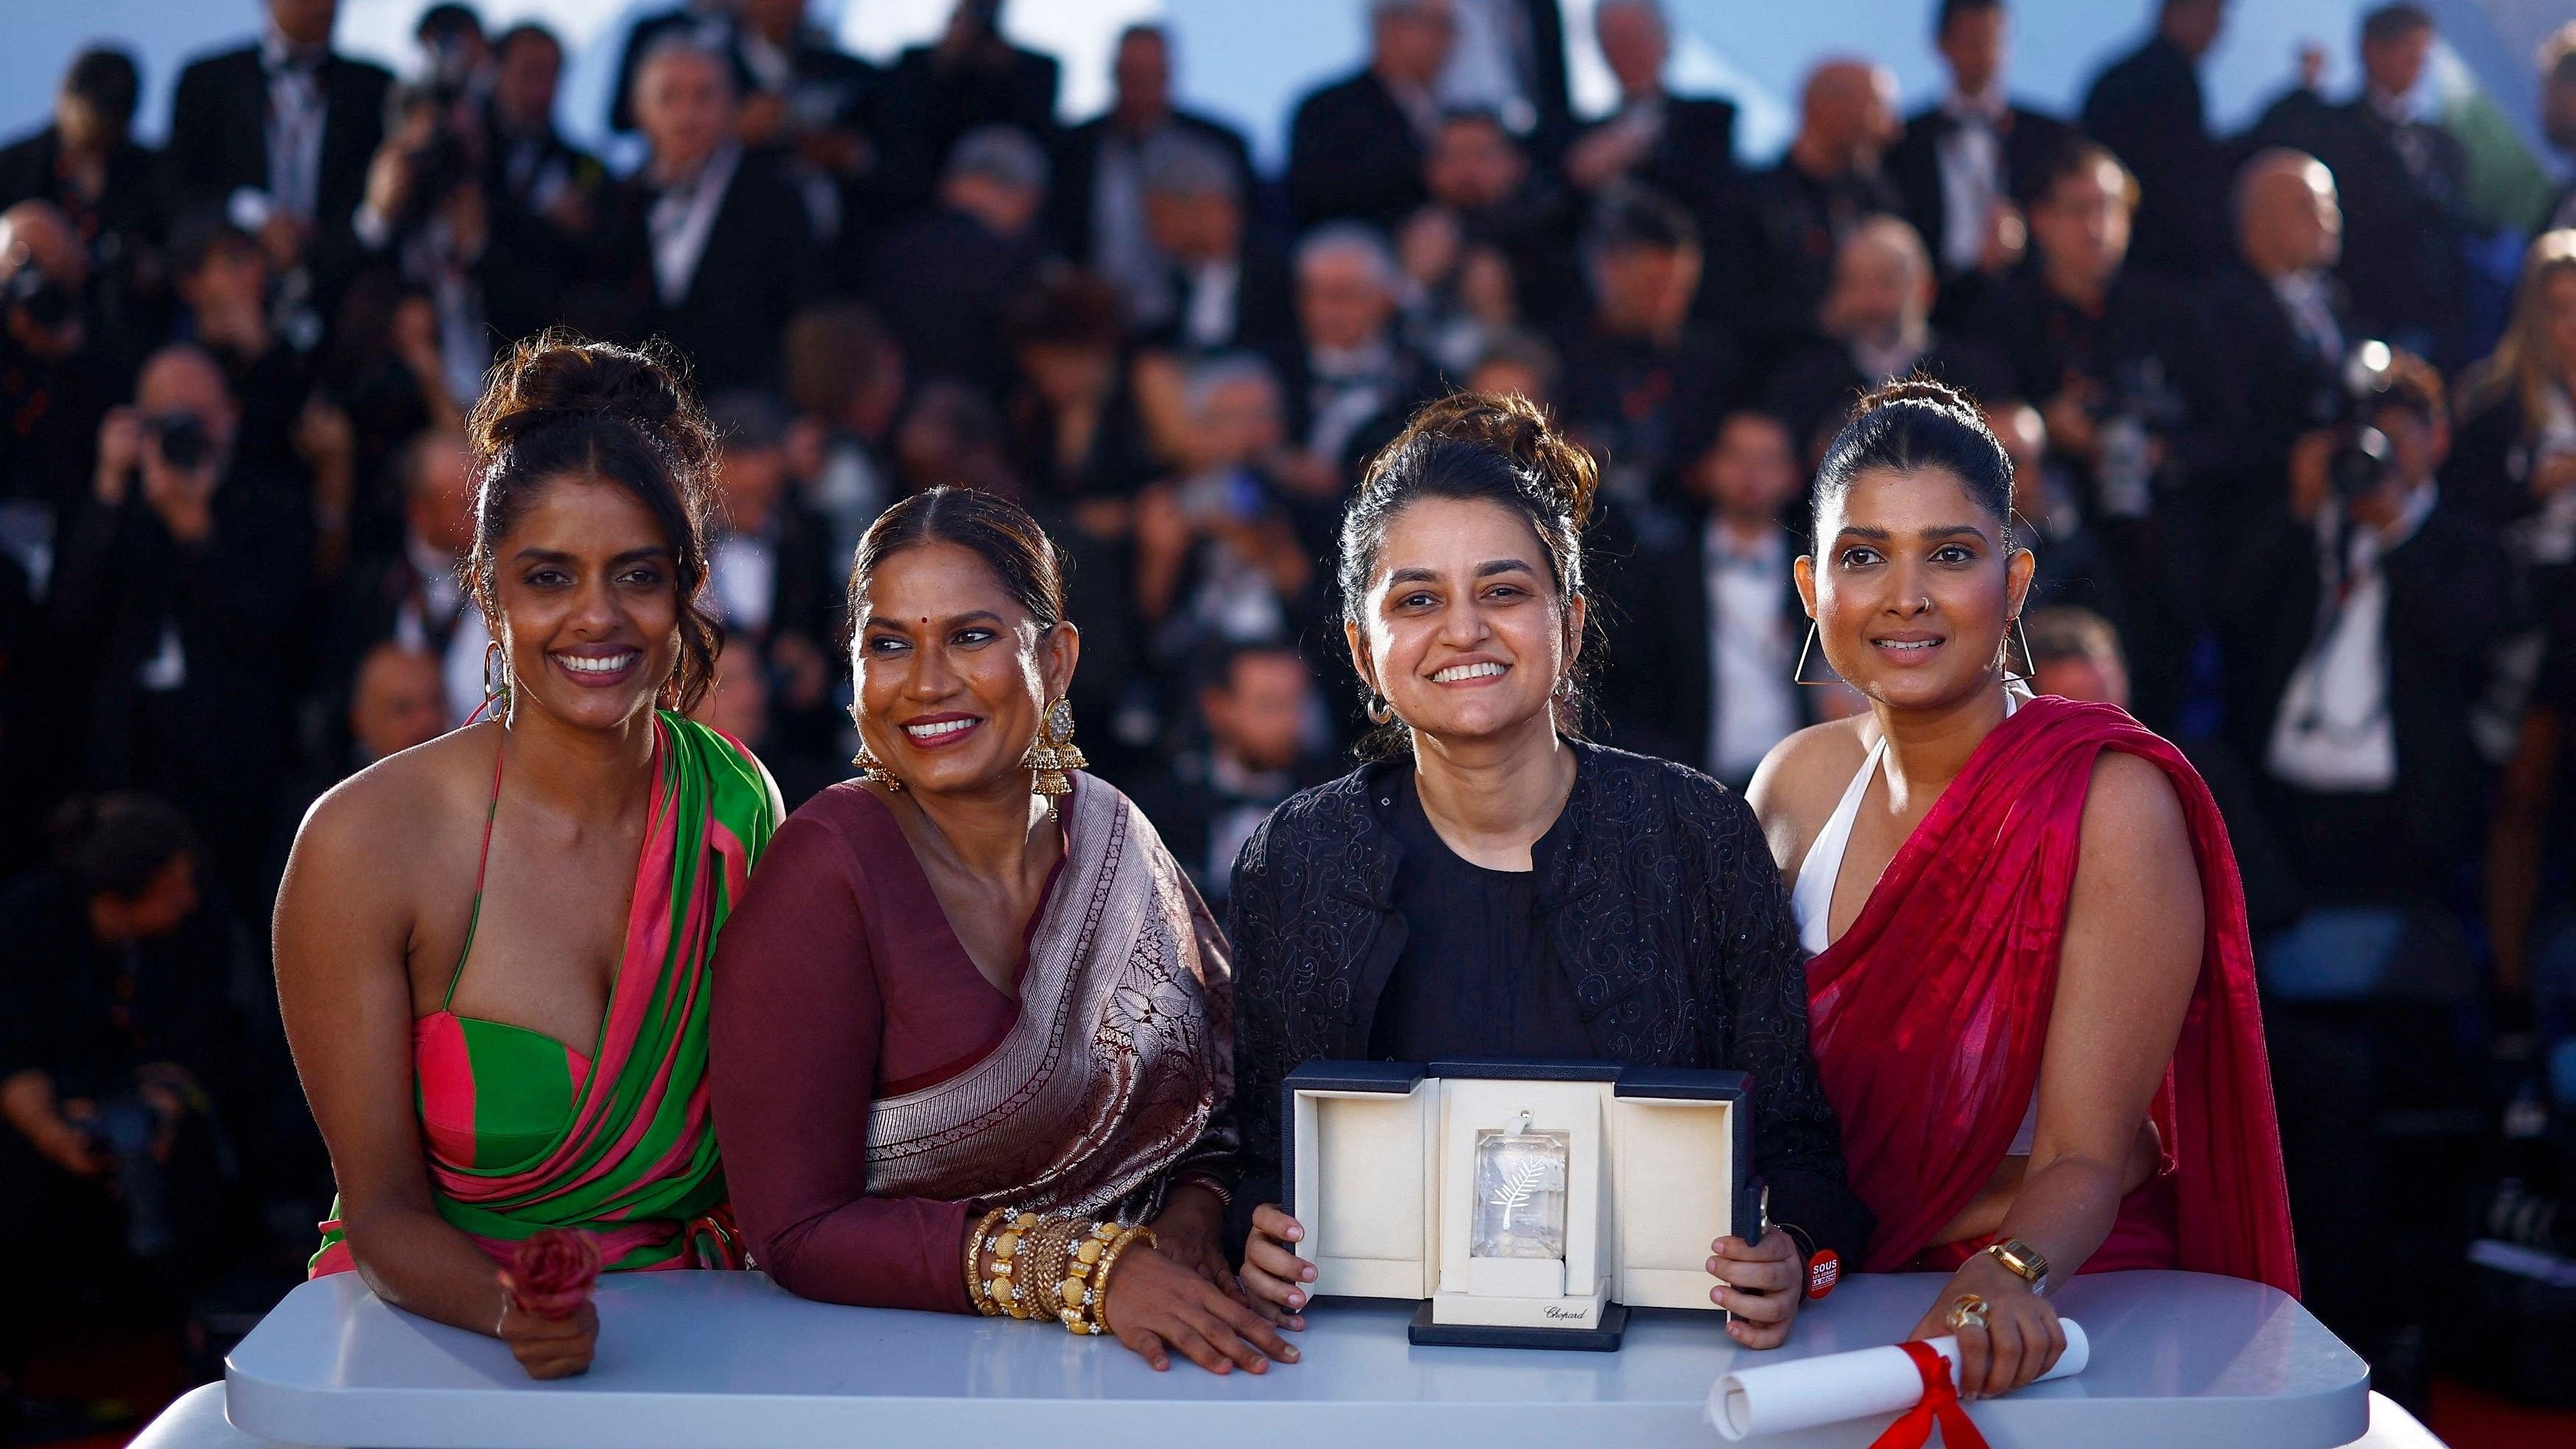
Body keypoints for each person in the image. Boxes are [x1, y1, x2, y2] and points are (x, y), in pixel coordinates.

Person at [1232, 391, 1872, 1352]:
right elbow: (1253, 1158)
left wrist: (1792, 1251)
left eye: (1502, 591)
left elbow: (1804, 1155)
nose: (1464, 631)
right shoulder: (1299, 859)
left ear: (1568, 624)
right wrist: (1254, 1237)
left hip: (1665, 1379)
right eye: (1417, 600)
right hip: (1370, 1381)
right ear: (1365, 652)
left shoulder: (1698, 836)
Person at [1746, 378, 2296, 1400]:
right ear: (1813, 588)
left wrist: (2006, 1272)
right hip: (1841, 1292)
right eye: (1863, 557)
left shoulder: (2111, 799)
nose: (1906, 595)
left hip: (2059, 1301)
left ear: (2018, 578)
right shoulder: (1790, 786)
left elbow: (2087, 1155)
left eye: (1951, 554)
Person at [272, 336, 782, 1379]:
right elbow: (380, 1213)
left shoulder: (738, 805)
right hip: (428, 1349)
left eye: (638, 575)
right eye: (550, 576)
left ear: (687, 587)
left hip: (702, 1345)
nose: (597, 616)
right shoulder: (364, 842)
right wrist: (515, 1314)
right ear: (489, 593)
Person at [707, 486, 1281, 1375]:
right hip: (889, 1382)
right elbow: (795, 1228)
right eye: (888, 644)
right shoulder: (827, 869)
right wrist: (1086, 1272)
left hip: (1154, 1364)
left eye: (970, 636)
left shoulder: (1113, 835)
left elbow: (1213, 1107)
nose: (927, 680)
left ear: (1055, 661)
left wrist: (1190, 1219)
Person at [1962, 140, 2226, 731]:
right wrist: (2047, 427)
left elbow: (2232, 435)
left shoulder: (2175, 317)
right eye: (2080, 209)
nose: (2098, 226)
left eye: (2111, 207)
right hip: (2046, 564)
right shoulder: (1999, 317)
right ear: (2040, 219)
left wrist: (2166, 454)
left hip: (2162, 566)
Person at [2221, 352, 2505, 901]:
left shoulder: (2465, 546)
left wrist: (2395, 532)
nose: (2382, 458)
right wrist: (2300, 512)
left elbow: (2460, 647)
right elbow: (2233, 610)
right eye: (2368, 439)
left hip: (2399, 819)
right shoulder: (2310, 533)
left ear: (2438, 440)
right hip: (2283, 805)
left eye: (2398, 438)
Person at [52, 344, 311, 917]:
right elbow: (71, 620)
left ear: (230, 419)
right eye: (164, 419)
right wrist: (109, 490)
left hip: (235, 763)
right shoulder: (112, 501)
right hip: (126, 756)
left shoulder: (268, 502)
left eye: (196, 418)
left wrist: (195, 529)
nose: (182, 434)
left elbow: (265, 629)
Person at [1599, 408, 1816, 787]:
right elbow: (1635, 686)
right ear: (1710, 465)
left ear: (1792, 475)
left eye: (1767, 460)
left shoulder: (1825, 571)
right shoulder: (1663, 572)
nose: (1750, 473)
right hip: (1690, 781)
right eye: (1736, 456)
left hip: (1802, 778)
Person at [590, 36, 813, 394]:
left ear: (732, 107)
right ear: (640, 109)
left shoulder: (778, 199)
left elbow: (802, 310)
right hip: (628, 417)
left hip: (747, 413)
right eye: (669, 96)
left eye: (704, 96)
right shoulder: (613, 200)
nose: (687, 113)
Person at [2254, 5, 2469, 364]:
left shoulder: (2443, 147)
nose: (2417, 65)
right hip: (2354, 312)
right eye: (2407, 52)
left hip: (2429, 323)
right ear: (2372, 50)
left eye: (2423, 55)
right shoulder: (2331, 129)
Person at [165, 0, 394, 307]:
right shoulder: (207, 82)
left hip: (345, 299)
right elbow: (179, 192)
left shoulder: (375, 87)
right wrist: (256, 216)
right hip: (233, 305)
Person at [1050, 25, 1255, 325]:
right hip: (1093, 320)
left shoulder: (1219, 144)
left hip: (1190, 317)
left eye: (1152, 75)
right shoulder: (1071, 148)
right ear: (1113, 74)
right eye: (1132, 75)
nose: (1141, 87)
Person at [1886, 0, 2073, 327]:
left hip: (2031, 312)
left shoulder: (2050, 137)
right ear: (1942, 45)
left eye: (1995, 40)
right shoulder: (1902, 143)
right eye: (1971, 40)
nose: (1985, 54)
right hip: (1934, 312)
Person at [1709, 59, 1902, 370]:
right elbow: (1728, 312)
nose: (1891, 129)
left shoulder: (1879, 201)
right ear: (1829, 109)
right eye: (1877, 110)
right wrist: (1825, 317)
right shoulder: (1750, 201)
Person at [1765, 213, 2007, 461]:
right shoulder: (1806, 379)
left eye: (1885, 282)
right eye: (1853, 283)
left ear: (1926, 289)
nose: (1869, 299)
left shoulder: (1974, 376)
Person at [1559, 185, 1733, 511]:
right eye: (1653, 287)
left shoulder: (1706, 364)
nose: (1669, 305)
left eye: (1680, 290)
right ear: (1609, 269)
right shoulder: (1561, 354)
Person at [1130, 639, 1334, 907]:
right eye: (1269, 705)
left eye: (1297, 704)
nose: (1290, 723)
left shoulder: (1333, 802)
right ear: (1217, 707)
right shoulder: (1161, 808)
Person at [2209, 151, 2353, 523]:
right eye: (2308, 207)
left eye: (2331, 205)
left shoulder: (2335, 300)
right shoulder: (2220, 314)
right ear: (2258, 223)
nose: (2329, 220)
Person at [869, 126, 1052, 402]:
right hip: (986, 420)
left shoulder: (896, 246)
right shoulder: (1026, 261)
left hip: (904, 414)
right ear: (1026, 196)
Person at [0, 47, 163, 335]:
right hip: (22, 329)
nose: (92, 130)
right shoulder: (16, 167)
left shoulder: (150, 172)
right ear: (64, 97)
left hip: (122, 331)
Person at [2446, 230, 2576, 577]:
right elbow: (2463, 508)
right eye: (2558, 309)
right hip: (2523, 588)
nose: (2572, 324)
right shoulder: (2494, 399)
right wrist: (2537, 487)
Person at [2078, 0, 2229, 281]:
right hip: (2155, 266)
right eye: (2211, 14)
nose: (2219, 29)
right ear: (2172, 12)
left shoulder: (2119, 74)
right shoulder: (2172, 81)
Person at [1562, 0, 1736, 227]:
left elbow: (1709, 190)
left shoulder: (1710, 118)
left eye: (1635, 37)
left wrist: (1633, 149)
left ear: (1665, 38)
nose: (1627, 51)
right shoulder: (1578, 140)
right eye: (1615, 39)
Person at [876, 0, 1062, 211]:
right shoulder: (917, 63)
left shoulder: (1033, 71)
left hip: (1000, 206)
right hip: (917, 198)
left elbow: (1033, 146)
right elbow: (896, 131)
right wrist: (943, 64)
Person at [1287, 0, 1456, 231]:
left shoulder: (1461, 108)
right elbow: (1324, 194)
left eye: (1449, 27)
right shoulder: (1329, 110)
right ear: (1389, 27)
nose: (1449, 40)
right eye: (1436, 25)